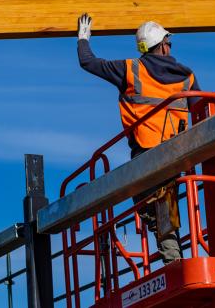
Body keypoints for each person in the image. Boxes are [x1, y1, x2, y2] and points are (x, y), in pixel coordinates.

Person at [76, 13, 201, 264]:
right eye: (169, 43)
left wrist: (83, 38)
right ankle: (175, 254)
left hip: (147, 150)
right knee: (167, 200)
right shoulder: (187, 76)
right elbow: (202, 111)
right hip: (180, 150)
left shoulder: (131, 69)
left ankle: (173, 259)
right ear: (164, 45)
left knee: (152, 203)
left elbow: (88, 62)